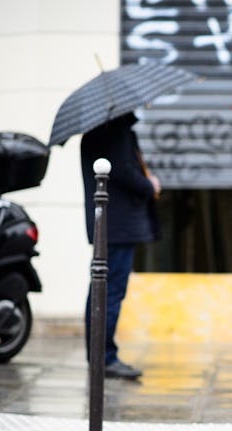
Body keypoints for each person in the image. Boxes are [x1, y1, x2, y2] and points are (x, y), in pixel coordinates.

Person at [80, 112, 161, 380]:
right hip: (117, 224)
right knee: (109, 291)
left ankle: (100, 356)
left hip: (111, 223)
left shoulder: (99, 129)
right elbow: (123, 170)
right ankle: (104, 358)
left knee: (103, 289)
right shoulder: (113, 129)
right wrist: (149, 186)